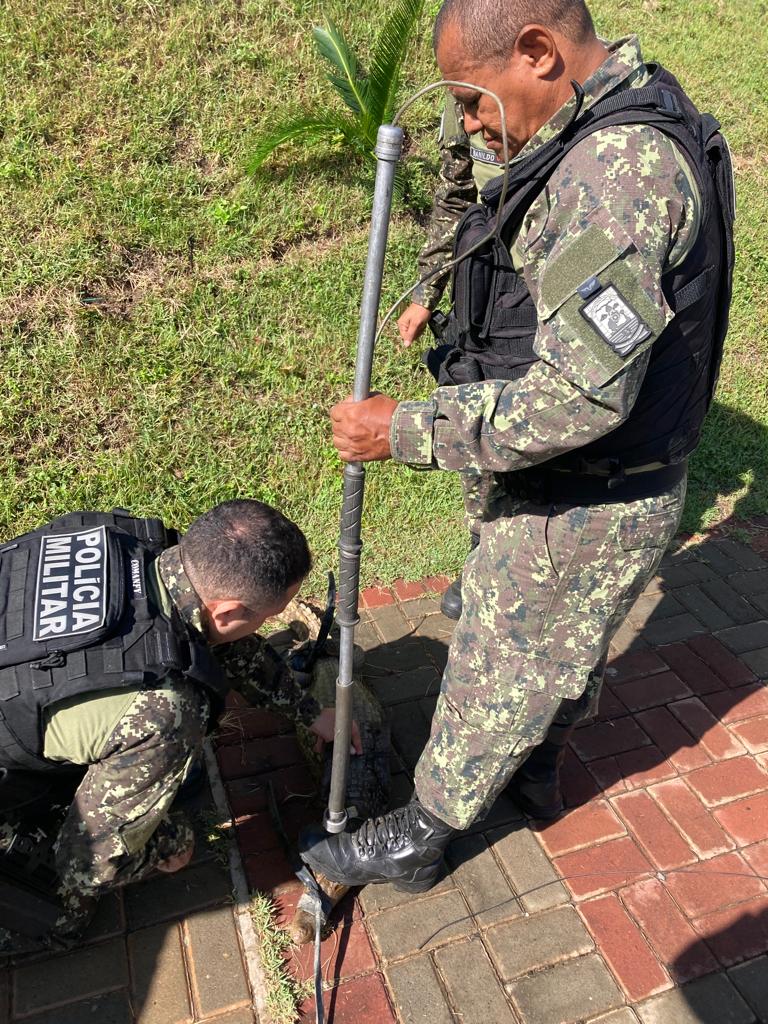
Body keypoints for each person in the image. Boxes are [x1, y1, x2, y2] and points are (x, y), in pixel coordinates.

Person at [301, 0, 734, 892]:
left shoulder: (615, 176)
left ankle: (421, 836)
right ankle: (535, 776)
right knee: (563, 649)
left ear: (537, 51)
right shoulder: (617, 104)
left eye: (470, 100)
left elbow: (580, 397)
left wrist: (404, 431)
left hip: (587, 492)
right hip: (602, 482)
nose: (466, 124)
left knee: (499, 663)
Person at [0, 500, 359, 954]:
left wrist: (310, 713)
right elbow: (86, 864)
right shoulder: (164, 712)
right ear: (227, 612)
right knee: (64, 913)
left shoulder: (127, 539)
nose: (268, 625)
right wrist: (165, 845)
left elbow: (223, 645)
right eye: (268, 616)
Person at [398, 102, 506, 619]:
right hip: (484, 291)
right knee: (474, 410)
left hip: (553, 291)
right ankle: (482, 555)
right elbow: (456, 197)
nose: (467, 121)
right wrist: (427, 292)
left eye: (474, 106)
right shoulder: (465, 99)